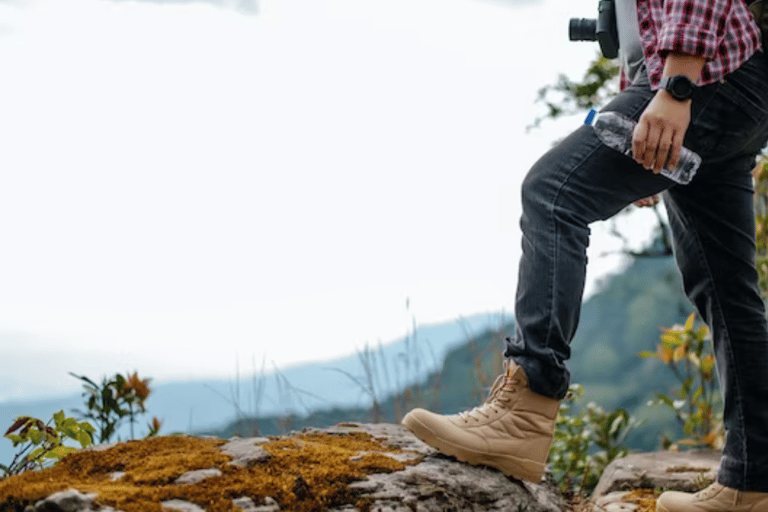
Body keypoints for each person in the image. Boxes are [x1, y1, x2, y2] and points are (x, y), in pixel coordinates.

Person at [401, 0, 768, 509]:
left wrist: (675, 88)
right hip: (741, 80)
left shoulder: (689, 77)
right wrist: (644, 107)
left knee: (553, 193)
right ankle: (752, 481)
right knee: (726, 287)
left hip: (709, 74)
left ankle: (524, 413)